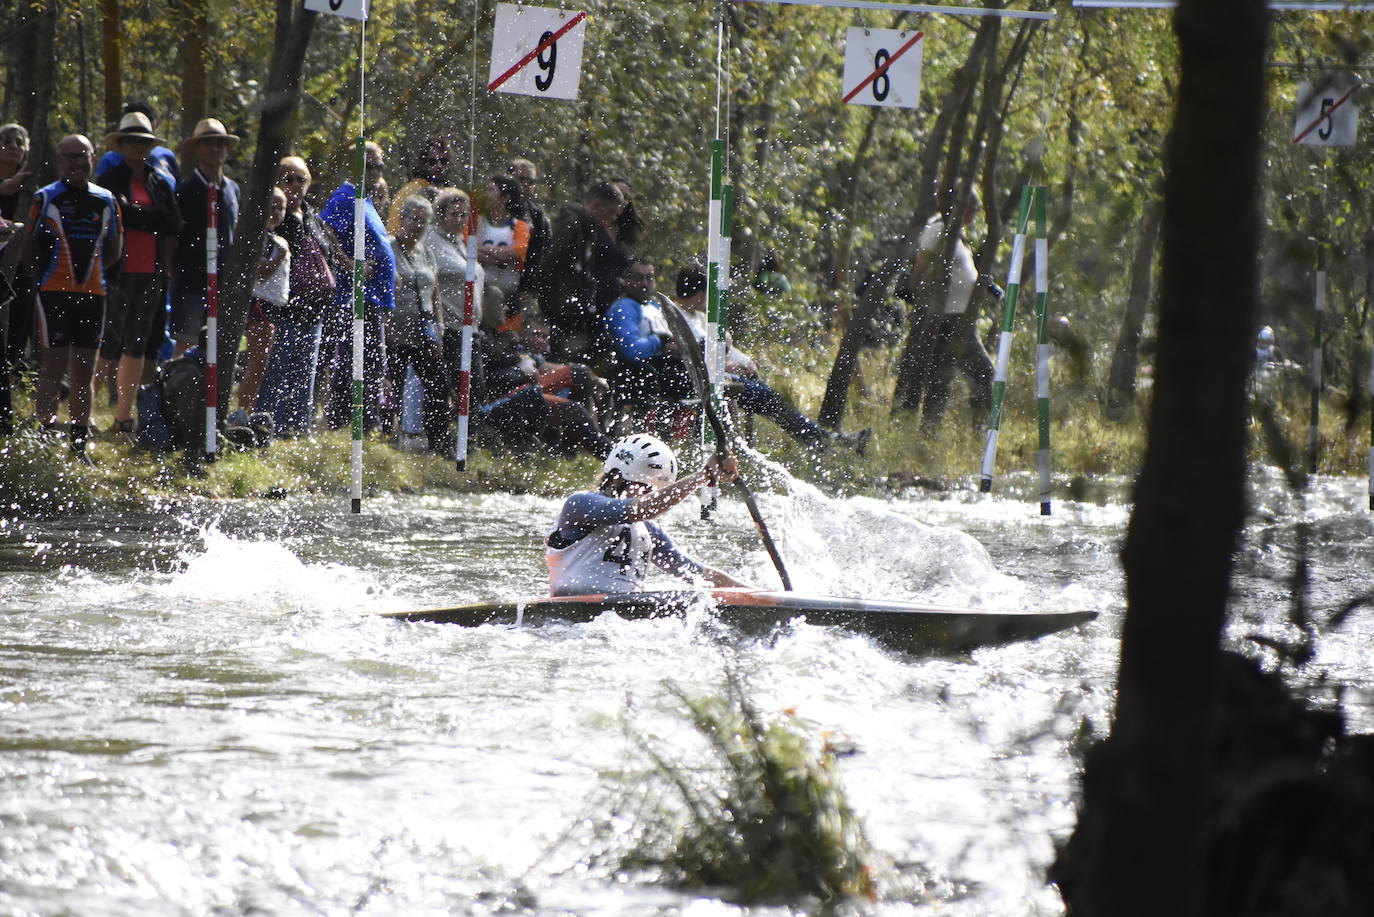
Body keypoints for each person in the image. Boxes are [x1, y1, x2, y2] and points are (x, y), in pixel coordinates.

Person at [673, 265, 868, 452]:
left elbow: (725, 350)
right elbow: (689, 357)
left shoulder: (700, 318)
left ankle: (821, 438)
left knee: (769, 396)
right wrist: (729, 367)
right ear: (700, 294)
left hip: (724, 378)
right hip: (707, 381)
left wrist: (746, 362)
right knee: (769, 399)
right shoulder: (675, 317)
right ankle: (821, 440)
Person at [545, 433, 752, 596]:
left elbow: (695, 572)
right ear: (617, 477)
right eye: (644, 488)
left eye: (654, 491)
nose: (650, 496)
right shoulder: (580, 504)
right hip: (571, 611)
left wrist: (754, 592)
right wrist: (704, 476)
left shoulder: (648, 530)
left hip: (620, 616)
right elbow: (639, 509)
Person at [19, 134, 123, 458]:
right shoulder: (45, 197)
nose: (77, 163)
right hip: (53, 293)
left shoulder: (106, 199)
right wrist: (42, 278)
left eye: (83, 156)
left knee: (84, 371)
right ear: (59, 161)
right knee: (53, 366)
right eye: (70, 157)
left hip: (93, 294)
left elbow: (115, 248)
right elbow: (28, 248)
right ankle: (45, 439)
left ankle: (78, 446)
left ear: (94, 157)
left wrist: (96, 274)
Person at [94, 112, 182, 440]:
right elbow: (108, 214)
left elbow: (173, 223)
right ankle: (87, 413)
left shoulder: (159, 180)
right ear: (122, 144)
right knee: (108, 341)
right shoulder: (110, 179)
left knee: (137, 343)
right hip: (116, 271)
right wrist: (148, 217)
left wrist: (134, 214)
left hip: (151, 272)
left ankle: (122, 417)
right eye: (132, 141)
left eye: (143, 142)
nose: (137, 148)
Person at [257, 156, 340, 436]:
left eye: (300, 179)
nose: (295, 185)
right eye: (287, 179)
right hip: (281, 309)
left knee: (306, 374)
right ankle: (266, 426)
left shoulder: (313, 216)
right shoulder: (272, 217)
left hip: (313, 310)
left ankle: (297, 430)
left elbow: (327, 253)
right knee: (276, 369)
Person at [319, 140, 395, 431]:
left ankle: (363, 420)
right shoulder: (345, 196)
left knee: (371, 361)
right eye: (370, 166)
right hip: (354, 297)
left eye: (380, 166)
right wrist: (349, 263)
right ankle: (347, 421)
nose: (377, 171)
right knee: (358, 361)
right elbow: (326, 232)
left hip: (374, 296)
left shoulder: (366, 199)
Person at [907, 191, 997, 430]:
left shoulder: (957, 234)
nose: (973, 215)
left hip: (959, 318)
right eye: (970, 208)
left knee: (943, 378)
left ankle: (936, 431)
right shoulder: (939, 230)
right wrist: (918, 305)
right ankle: (980, 431)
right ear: (957, 204)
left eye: (975, 210)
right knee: (983, 372)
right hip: (946, 319)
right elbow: (920, 268)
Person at [169, 118, 240, 356]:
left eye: (220, 143)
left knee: (219, 346)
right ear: (197, 149)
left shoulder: (233, 190)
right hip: (190, 282)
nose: (215, 149)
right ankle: (179, 391)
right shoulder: (184, 191)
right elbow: (172, 239)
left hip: (224, 283)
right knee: (186, 343)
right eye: (208, 144)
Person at [534, 181, 628, 360]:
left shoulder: (590, 227)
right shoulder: (573, 225)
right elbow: (550, 263)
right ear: (595, 206)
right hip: (559, 305)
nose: (613, 218)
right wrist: (547, 301)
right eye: (610, 212)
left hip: (575, 305)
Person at [386, 196, 451, 452]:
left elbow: (435, 291)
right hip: (396, 329)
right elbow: (382, 288)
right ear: (401, 219)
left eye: (423, 221)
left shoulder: (426, 251)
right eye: (413, 219)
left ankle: (439, 443)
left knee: (438, 384)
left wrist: (440, 325)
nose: (417, 225)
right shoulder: (388, 248)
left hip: (424, 331)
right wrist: (385, 327)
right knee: (394, 385)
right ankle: (388, 438)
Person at [230, 185, 290, 429]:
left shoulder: (276, 239)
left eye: (280, 207)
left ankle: (247, 410)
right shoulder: (257, 237)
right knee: (256, 362)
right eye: (271, 205)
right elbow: (261, 272)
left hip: (271, 305)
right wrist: (280, 256)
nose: (275, 211)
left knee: (260, 364)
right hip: (258, 303)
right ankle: (242, 412)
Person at [0, 122, 33, 434]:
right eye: (5, 140)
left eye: (17, 141)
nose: (11, 146)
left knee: (12, 348)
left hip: (22, 275)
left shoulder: (33, 190)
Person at [475, 174, 531, 320]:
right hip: (478, 290)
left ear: (506, 198)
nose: (486, 195)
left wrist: (480, 249)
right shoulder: (475, 223)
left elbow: (513, 254)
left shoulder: (520, 227)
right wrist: (500, 257)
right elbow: (468, 252)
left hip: (509, 297)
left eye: (491, 190)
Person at [95, 100, 179, 184]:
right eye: (132, 140)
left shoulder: (166, 156)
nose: (138, 146)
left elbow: (176, 190)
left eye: (143, 141)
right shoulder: (109, 160)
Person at [386, 136, 453, 235]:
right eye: (432, 162)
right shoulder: (415, 190)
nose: (439, 166)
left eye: (443, 161)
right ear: (423, 164)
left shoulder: (439, 190)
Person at [507, 158, 551, 306]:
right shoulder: (493, 207)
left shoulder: (537, 214)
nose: (525, 185)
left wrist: (529, 289)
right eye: (521, 179)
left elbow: (540, 255)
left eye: (530, 181)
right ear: (508, 177)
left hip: (523, 287)